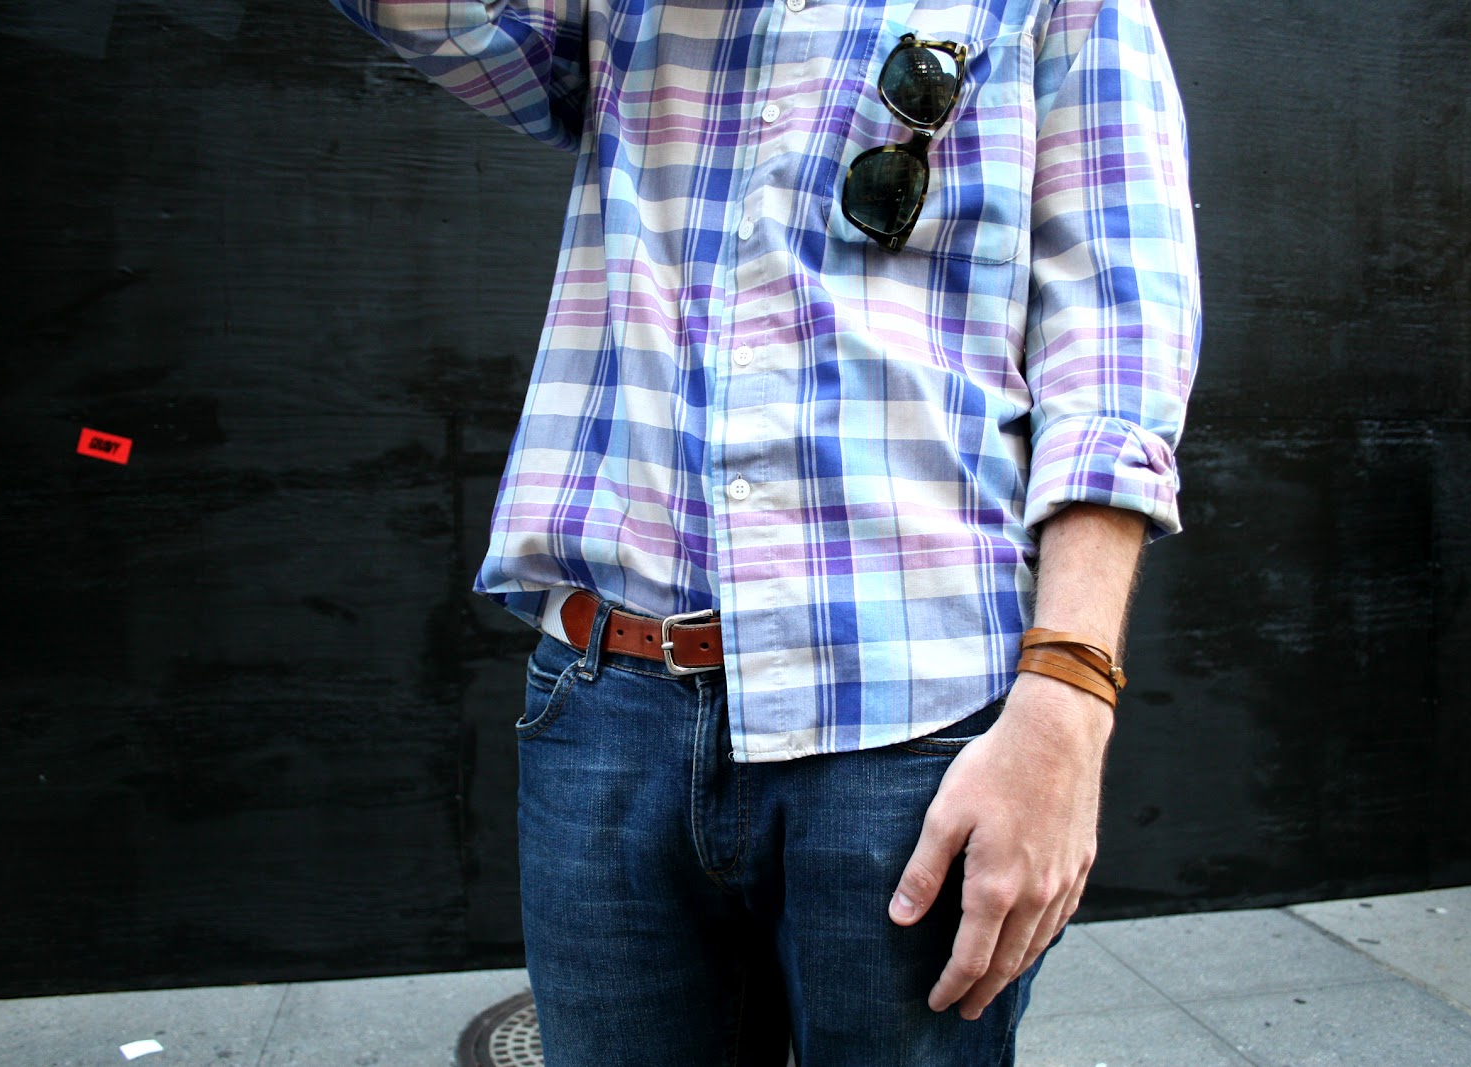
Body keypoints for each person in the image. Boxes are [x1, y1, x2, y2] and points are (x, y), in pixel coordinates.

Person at [330, 0, 1199, 1060]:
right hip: (609, 699)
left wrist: (1067, 706)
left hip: (909, 716)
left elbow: (1114, 351)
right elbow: (448, 27)